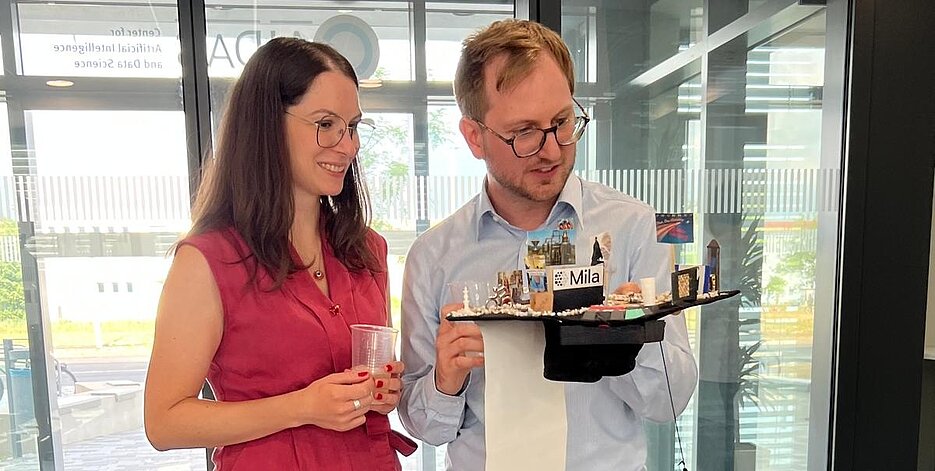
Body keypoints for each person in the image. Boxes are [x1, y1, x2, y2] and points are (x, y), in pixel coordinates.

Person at [398, 19, 697, 470]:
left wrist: (631, 338)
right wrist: (445, 380)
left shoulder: (635, 227)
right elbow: (425, 429)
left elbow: (669, 403)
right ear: (474, 137)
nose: (553, 150)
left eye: (561, 123)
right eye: (524, 132)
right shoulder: (433, 257)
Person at [144, 37, 416, 470]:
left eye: (353, 127)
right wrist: (301, 407)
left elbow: (372, 376)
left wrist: (382, 391)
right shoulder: (208, 260)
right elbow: (164, 422)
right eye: (326, 124)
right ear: (267, 125)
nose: (348, 146)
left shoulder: (367, 250)